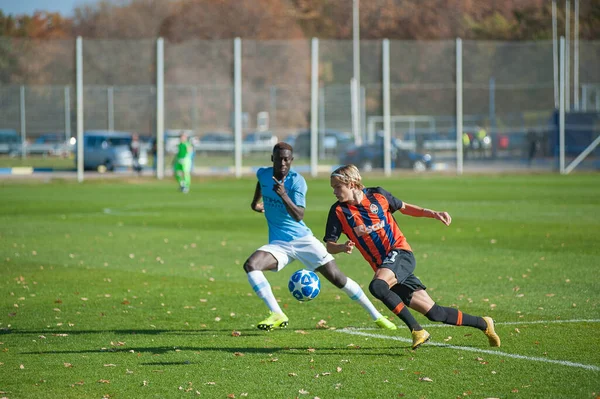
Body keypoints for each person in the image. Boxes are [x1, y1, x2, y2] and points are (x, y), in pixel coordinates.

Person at [323, 164, 501, 349]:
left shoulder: (378, 195)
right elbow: (329, 245)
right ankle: (484, 323)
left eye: (337, 186)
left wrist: (432, 213)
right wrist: (342, 247)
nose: (335, 191)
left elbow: (405, 207)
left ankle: (417, 330)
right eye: (333, 187)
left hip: (400, 253)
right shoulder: (338, 212)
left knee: (377, 286)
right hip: (386, 269)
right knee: (435, 313)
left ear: (351, 184)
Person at [243, 142, 398, 332]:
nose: (282, 162)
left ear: (291, 160)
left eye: (286, 159)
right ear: (272, 158)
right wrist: (254, 203)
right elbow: (262, 182)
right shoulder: (264, 173)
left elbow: (299, 214)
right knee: (251, 265)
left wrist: (284, 195)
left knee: (337, 278)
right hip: (278, 243)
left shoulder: (296, 181)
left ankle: (378, 316)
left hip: (303, 240)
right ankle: (277, 313)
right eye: (279, 158)